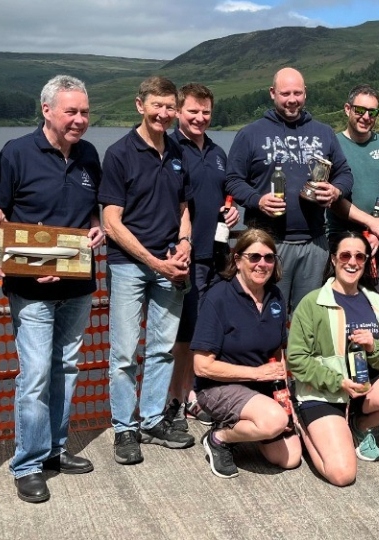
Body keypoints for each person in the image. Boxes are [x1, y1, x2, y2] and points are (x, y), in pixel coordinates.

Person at [0, 75, 104, 503]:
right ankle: (28, 463)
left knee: (67, 368)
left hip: (77, 283)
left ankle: (55, 449)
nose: (79, 120)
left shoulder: (90, 155)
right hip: (31, 287)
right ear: (47, 110)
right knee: (35, 375)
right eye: (71, 111)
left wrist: (97, 230)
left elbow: (94, 212)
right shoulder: (17, 152)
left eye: (85, 112)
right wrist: (28, 262)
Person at [101, 76, 196, 466]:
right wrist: (154, 262)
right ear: (140, 105)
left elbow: (184, 208)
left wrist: (185, 244)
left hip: (170, 264)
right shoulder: (119, 153)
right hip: (129, 266)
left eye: (170, 107)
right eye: (157, 105)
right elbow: (111, 220)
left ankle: (153, 421)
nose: (164, 113)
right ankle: (125, 427)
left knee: (161, 349)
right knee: (124, 353)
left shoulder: (177, 151)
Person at [287, 232, 379, 485]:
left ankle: (359, 423)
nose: (351, 262)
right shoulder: (312, 303)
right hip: (325, 390)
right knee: (342, 475)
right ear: (333, 259)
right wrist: (338, 382)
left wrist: (373, 346)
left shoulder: (376, 303)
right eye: (345, 255)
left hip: (366, 383)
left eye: (359, 256)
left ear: (366, 262)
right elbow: (297, 359)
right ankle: (303, 423)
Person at [225, 67, 354, 312]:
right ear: (272, 93)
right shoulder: (250, 134)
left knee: (309, 318)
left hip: (314, 243)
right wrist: (257, 200)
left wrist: (336, 191)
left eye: (297, 93)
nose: (292, 99)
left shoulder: (323, 132)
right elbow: (232, 180)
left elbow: (345, 174)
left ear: (305, 93)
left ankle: (300, 353)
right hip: (268, 243)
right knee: (265, 311)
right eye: (285, 93)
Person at [192, 228, 302, 478]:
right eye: (254, 257)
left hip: (260, 387)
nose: (262, 264)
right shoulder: (217, 298)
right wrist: (256, 374)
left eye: (269, 257)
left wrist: (285, 400)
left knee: (290, 458)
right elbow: (201, 366)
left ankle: (249, 422)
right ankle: (219, 438)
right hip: (217, 387)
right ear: (237, 260)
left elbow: (277, 356)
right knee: (273, 421)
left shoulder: (275, 295)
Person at [167, 83, 239, 431]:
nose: (199, 118)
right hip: (186, 257)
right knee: (183, 337)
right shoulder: (169, 148)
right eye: (192, 111)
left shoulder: (217, 151)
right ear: (178, 111)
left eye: (205, 112)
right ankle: (174, 402)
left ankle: (195, 397)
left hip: (217, 256)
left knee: (205, 334)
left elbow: (222, 197)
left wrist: (232, 212)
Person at [328, 84, 379, 301]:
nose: (366, 116)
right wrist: (373, 223)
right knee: (341, 308)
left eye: (373, 112)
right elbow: (334, 199)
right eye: (360, 110)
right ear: (347, 109)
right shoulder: (332, 144)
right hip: (342, 239)